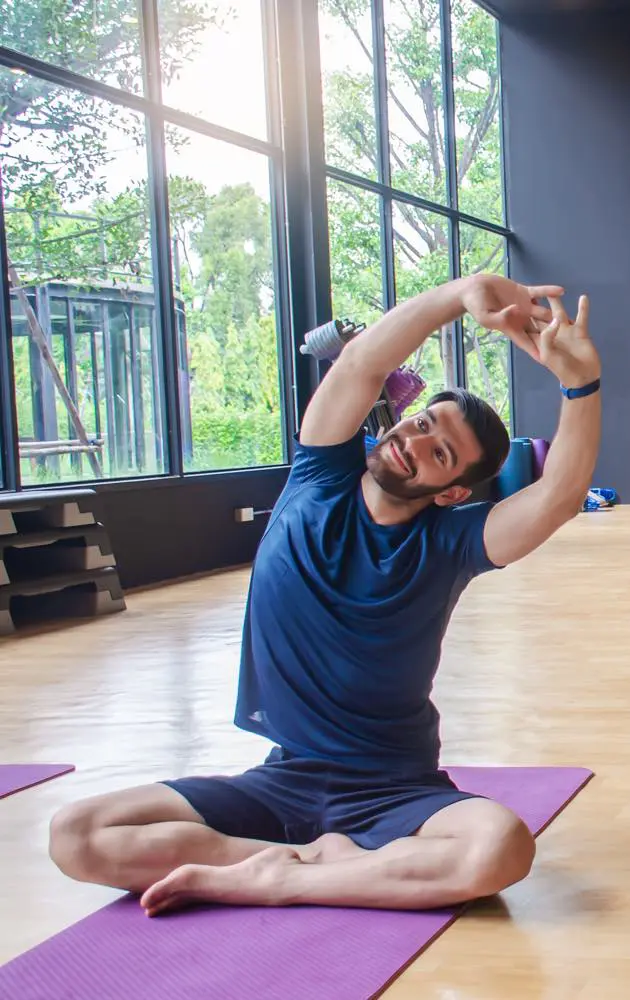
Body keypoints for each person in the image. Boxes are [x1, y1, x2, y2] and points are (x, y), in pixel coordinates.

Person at [49, 273, 601, 917]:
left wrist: (581, 384)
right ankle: (319, 862)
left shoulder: (453, 542)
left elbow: (559, 495)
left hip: (393, 789)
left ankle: (281, 879)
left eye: (440, 453)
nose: (414, 443)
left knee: (500, 849)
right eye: (422, 423)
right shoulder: (318, 474)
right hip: (282, 778)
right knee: (77, 834)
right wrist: (462, 293)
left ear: (453, 491)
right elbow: (364, 362)